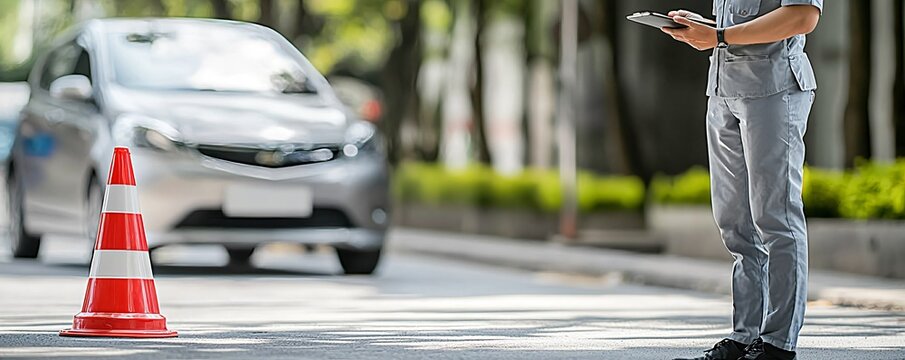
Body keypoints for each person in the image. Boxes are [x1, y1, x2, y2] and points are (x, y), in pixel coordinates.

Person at [660, 1, 822, 360]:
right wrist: (705, 28)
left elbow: (803, 17)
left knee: (775, 218)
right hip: (722, 92)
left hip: (774, 90)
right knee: (735, 223)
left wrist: (718, 35)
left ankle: (778, 344)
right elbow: (740, 24)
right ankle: (746, 335)